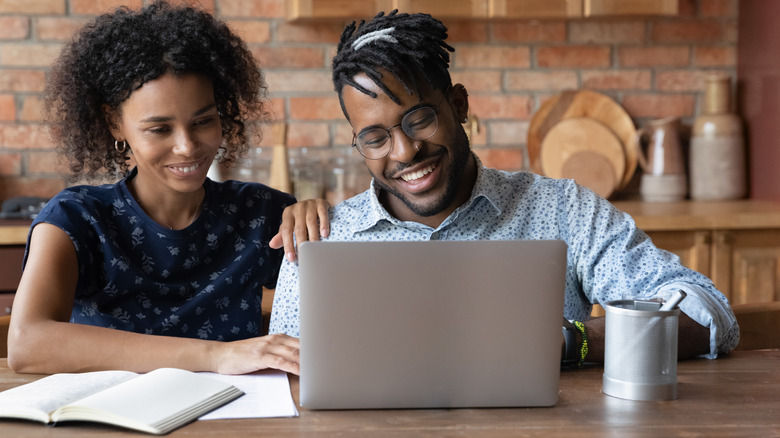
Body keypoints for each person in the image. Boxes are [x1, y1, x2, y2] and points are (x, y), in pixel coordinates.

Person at [269, 10, 740, 363]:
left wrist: (569, 340)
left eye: (419, 119)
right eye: (375, 138)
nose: (405, 152)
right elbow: (285, 374)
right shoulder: (319, 239)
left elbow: (708, 314)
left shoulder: (563, 209)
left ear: (458, 105)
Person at [7, 1, 329, 376]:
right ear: (115, 125)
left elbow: (344, 315)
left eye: (203, 121)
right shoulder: (75, 219)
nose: (187, 147)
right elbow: (27, 344)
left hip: (236, 419)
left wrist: (325, 223)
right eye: (160, 129)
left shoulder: (262, 214)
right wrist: (217, 356)